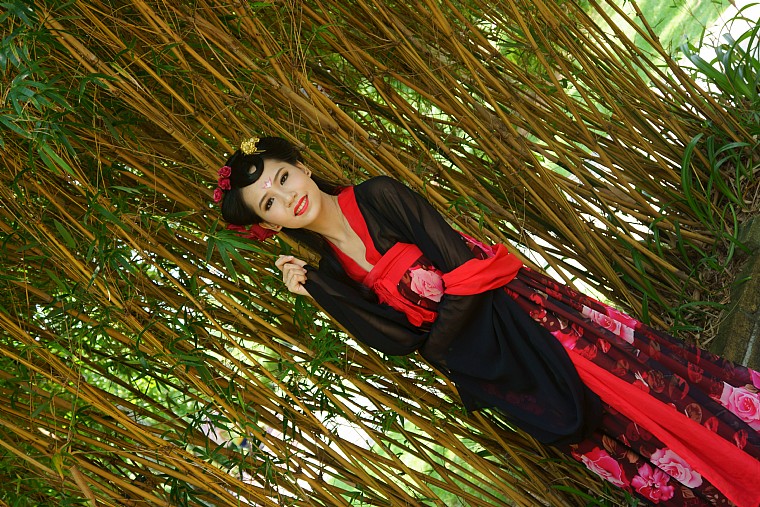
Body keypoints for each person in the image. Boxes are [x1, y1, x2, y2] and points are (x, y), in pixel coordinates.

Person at [215, 136, 760, 507]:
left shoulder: (377, 197)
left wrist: (438, 346)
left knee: (637, 392)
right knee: (606, 435)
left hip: (527, 318)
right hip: (497, 370)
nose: (288, 196)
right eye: (270, 203)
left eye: (284, 177)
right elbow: (397, 341)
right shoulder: (336, 271)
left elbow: (464, 268)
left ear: (304, 167)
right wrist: (319, 290)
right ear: (270, 225)